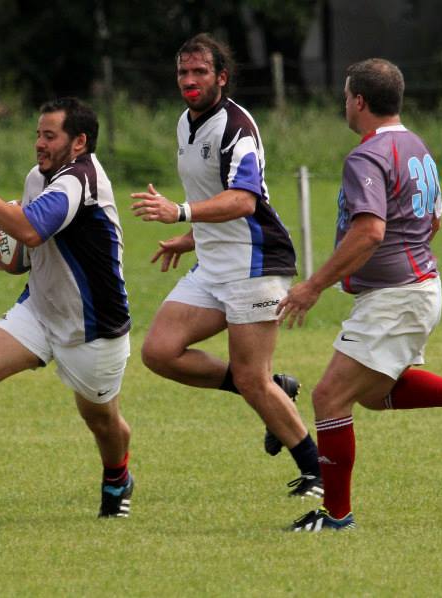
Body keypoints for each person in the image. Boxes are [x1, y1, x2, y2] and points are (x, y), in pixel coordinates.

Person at [278, 58, 442, 532]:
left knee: (329, 398)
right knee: (375, 394)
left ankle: (337, 516)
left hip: (398, 296)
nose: (344, 104)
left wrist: (313, 286)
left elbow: (369, 232)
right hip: (417, 288)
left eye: (347, 96)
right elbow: (435, 220)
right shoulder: (416, 147)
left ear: (359, 102)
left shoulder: (366, 156)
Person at [0, 98, 136, 518]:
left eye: (49, 135)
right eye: (38, 133)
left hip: (92, 326)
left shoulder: (81, 179)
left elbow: (32, 230)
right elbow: (28, 252)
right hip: (40, 308)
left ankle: (117, 479)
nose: (39, 142)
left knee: (102, 421)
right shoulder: (39, 177)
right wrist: (3, 256)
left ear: (79, 142)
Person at [129, 33, 322, 498]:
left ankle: (317, 471)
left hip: (255, 264)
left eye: (199, 72)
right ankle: (277, 388)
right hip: (215, 263)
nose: (189, 81)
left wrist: (181, 213)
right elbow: (210, 199)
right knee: (159, 351)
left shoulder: (237, 128)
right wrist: (190, 237)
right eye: (183, 72)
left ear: (222, 77)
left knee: (251, 378)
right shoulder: (185, 123)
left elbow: (242, 201)